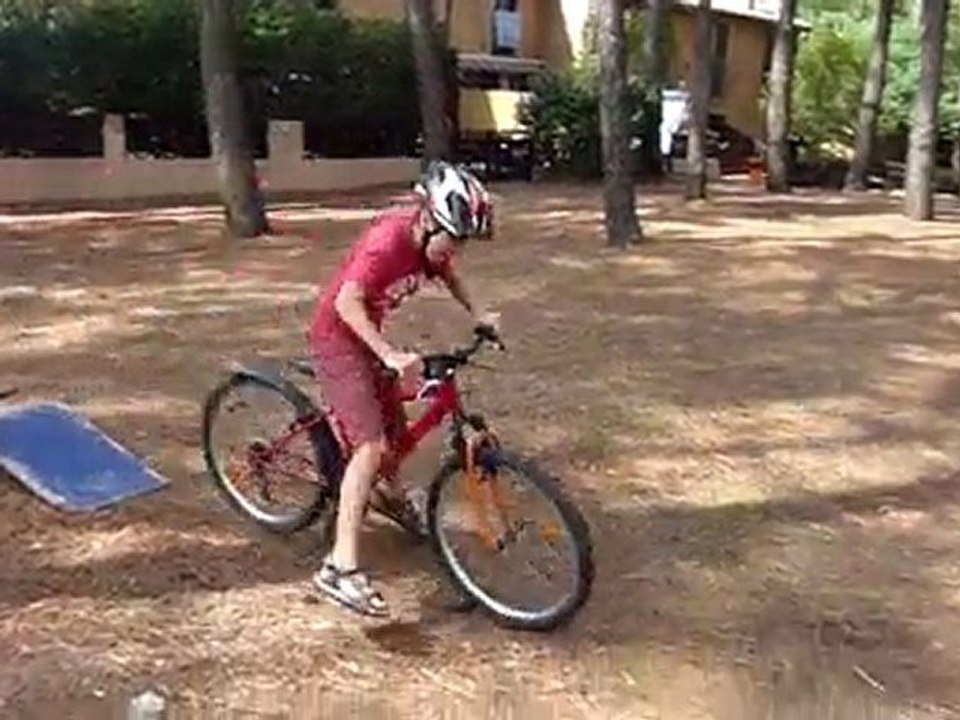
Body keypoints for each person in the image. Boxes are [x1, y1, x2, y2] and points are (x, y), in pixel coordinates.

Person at [307, 161, 498, 616]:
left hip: (368, 335)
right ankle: (339, 568)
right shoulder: (387, 242)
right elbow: (345, 302)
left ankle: (387, 495)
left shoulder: (431, 245)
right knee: (370, 447)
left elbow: (448, 273)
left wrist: (479, 313)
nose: (455, 250)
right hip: (338, 339)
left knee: (394, 432)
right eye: (454, 238)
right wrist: (388, 353)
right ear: (429, 218)